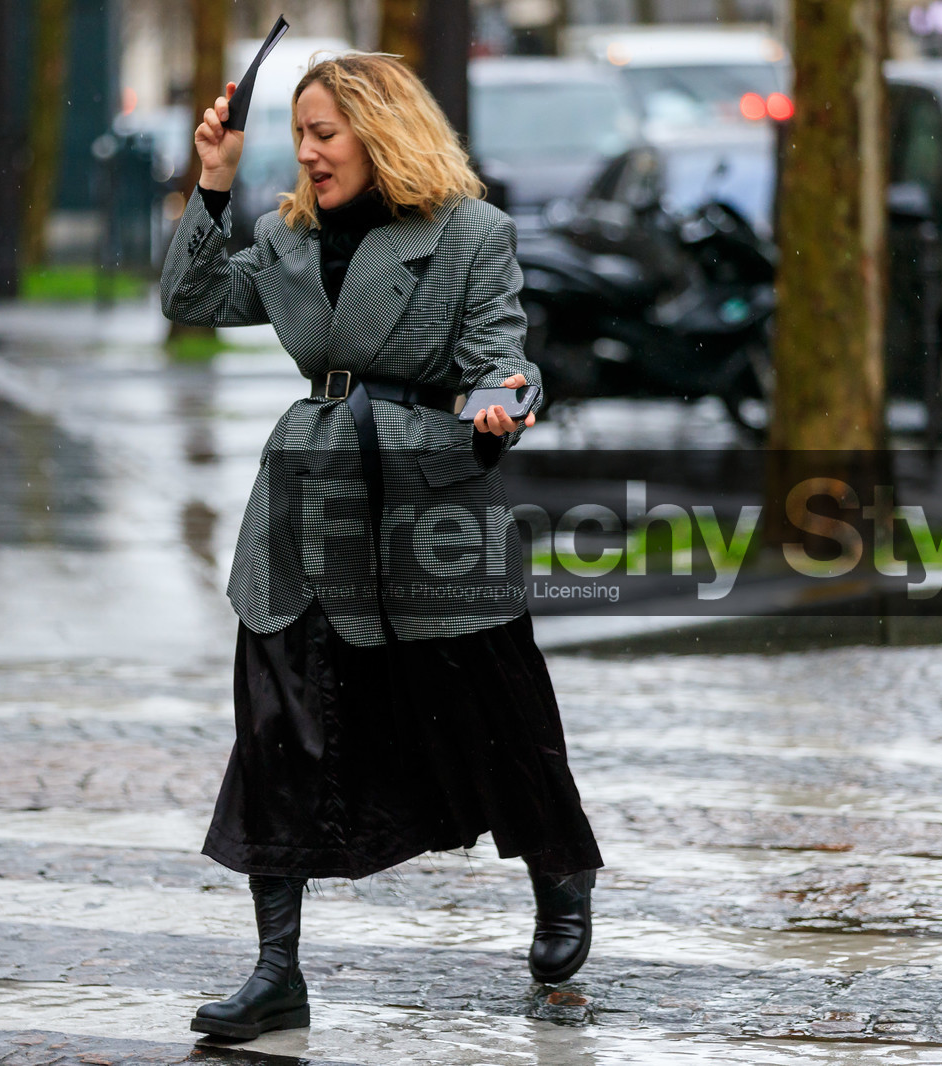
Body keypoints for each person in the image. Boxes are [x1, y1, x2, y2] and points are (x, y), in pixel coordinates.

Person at [161, 52, 603, 1042]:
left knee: (496, 713)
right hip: (303, 501)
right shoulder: (286, 237)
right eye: (299, 135)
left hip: (425, 505)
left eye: (324, 133)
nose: (308, 153)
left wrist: (500, 400)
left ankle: (559, 873)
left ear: (379, 130)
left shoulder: (469, 233)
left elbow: (501, 353)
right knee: (279, 728)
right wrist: (214, 182)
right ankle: (276, 971)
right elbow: (191, 299)